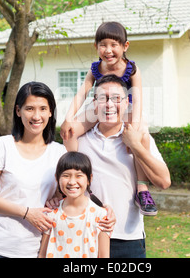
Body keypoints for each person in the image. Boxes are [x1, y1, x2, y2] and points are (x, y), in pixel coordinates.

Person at [64, 75, 171, 258]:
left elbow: (164, 181)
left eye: (116, 98)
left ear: (127, 102)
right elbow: (66, 135)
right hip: (84, 235)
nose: (109, 104)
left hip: (128, 240)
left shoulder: (140, 137)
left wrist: (135, 145)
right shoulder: (80, 140)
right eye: (102, 98)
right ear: (94, 104)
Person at [60, 21, 158, 216]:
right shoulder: (96, 68)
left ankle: (142, 190)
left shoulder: (131, 69)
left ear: (125, 47)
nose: (108, 50)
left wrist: (134, 128)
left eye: (114, 45)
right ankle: (75, 176)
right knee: (69, 132)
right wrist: (68, 118)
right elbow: (81, 94)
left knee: (139, 138)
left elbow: (137, 100)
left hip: (126, 108)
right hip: (99, 107)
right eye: (103, 45)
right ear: (96, 47)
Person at [0, 81, 68, 258]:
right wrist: (27, 213)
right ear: (18, 111)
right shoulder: (2, 146)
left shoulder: (59, 153)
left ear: (50, 112)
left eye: (42, 108)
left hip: (32, 249)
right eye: (29, 108)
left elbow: (60, 195)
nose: (36, 116)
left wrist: (56, 199)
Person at [38, 151, 110, 258]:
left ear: (89, 179)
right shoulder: (51, 213)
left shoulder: (100, 215)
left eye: (79, 176)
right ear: (57, 178)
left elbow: (104, 256)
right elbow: (42, 254)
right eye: (66, 176)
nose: (72, 182)